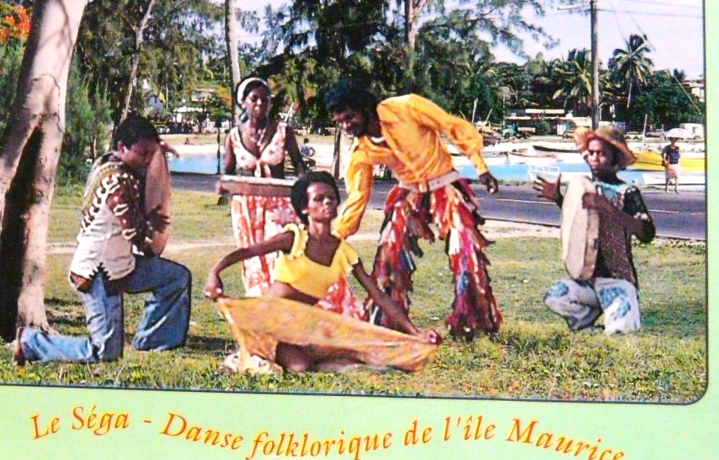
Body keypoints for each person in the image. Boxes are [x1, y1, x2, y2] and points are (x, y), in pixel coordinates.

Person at [205, 171, 441, 373]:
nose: (327, 202)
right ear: (305, 208)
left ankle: (273, 353)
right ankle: (248, 353)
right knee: (300, 367)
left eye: (331, 198)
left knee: (352, 348)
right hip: (268, 322)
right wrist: (215, 273)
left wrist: (415, 333)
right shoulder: (294, 238)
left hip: (302, 327)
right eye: (318, 199)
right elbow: (246, 252)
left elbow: (379, 296)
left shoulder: (344, 252)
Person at [325, 80, 502, 339]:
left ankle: (473, 322)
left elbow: (449, 125)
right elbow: (358, 197)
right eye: (340, 121)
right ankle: (387, 323)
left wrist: (481, 167)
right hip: (408, 193)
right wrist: (336, 236)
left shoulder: (406, 106)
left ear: (364, 107)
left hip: (446, 185)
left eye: (349, 117)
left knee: (466, 252)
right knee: (389, 255)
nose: (346, 126)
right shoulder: (361, 152)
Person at [14, 115, 191, 363]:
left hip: (121, 267)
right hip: (98, 275)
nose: (148, 160)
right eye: (143, 153)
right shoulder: (117, 183)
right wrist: (156, 231)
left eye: (151, 153)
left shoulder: (107, 162)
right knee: (104, 352)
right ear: (122, 148)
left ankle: (152, 343)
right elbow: (141, 241)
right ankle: (30, 342)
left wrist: (158, 155)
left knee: (176, 278)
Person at [534, 125, 655, 335]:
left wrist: (609, 207)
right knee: (554, 296)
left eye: (602, 154)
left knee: (620, 333)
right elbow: (582, 222)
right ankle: (586, 320)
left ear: (615, 159)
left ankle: (614, 313)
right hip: (588, 282)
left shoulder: (627, 192)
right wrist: (558, 198)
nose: (594, 158)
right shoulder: (583, 188)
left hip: (617, 281)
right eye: (591, 153)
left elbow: (647, 233)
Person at [222, 75, 306, 296]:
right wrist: (225, 189)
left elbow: (298, 164)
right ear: (244, 102)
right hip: (246, 208)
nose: (260, 103)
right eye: (255, 99)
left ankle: (282, 298)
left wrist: (303, 191)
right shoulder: (233, 136)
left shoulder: (283, 131)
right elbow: (228, 172)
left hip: (278, 202)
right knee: (252, 255)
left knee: (278, 252)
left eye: (265, 99)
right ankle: (260, 301)